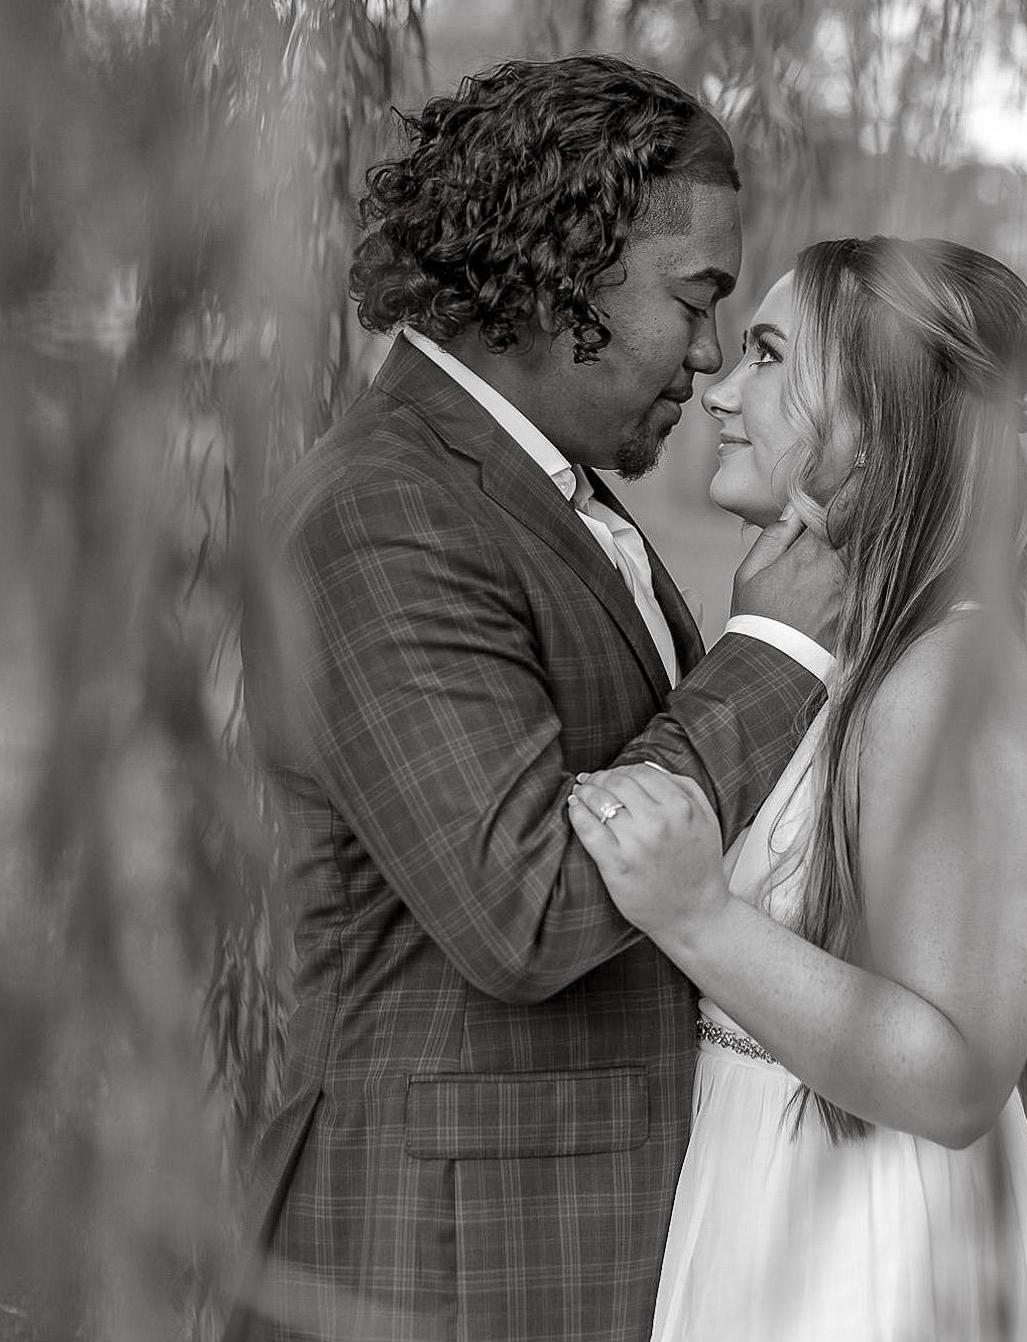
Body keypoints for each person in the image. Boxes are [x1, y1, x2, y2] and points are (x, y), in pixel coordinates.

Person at [228, 57, 843, 1342]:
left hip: (548, 1246)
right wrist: (775, 651)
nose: (710, 356)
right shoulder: (386, 510)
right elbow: (526, 907)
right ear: (565, 266)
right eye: (696, 298)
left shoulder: (533, 489)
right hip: (440, 1267)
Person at [569, 236, 1027, 1341]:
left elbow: (953, 1075)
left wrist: (698, 918)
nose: (719, 390)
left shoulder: (950, 684)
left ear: (879, 413)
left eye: (766, 355)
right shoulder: (857, 663)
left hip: (870, 1259)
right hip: (769, 1209)